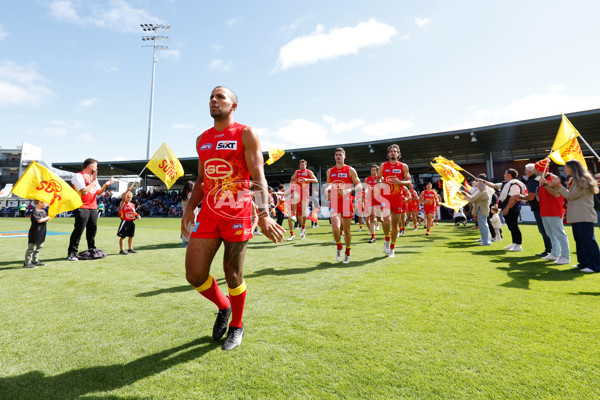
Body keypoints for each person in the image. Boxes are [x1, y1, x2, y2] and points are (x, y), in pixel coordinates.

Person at [181, 86, 285, 351]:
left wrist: (263, 214)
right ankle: (224, 305)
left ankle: (237, 326)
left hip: (237, 210)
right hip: (209, 212)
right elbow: (202, 180)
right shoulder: (202, 139)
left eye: (220, 97)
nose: (213, 101)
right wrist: (189, 208)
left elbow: (259, 176)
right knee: (194, 274)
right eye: (211, 97)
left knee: (233, 273)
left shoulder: (245, 133)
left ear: (233, 105)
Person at [545, 159, 600, 273]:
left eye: (566, 167)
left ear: (572, 168)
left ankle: (595, 265)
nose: (564, 169)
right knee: (579, 240)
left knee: (587, 240)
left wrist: (558, 186)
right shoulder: (577, 180)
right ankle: (584, 263)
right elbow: (569, 195)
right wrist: (555, 186)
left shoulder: (582, 180)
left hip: (583, 214)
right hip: (578, 215)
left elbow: (571, 196)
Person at [67, 158, 114, 261]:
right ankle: (72, 253)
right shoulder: (78, 176)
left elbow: (98, 192)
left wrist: (106, 185)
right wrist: (93, 181)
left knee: (92, 231)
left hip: (93, 207)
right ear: (90, 166)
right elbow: (84, 191)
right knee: (78, 231)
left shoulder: (93, 178)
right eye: (96, 166)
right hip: (82, 207)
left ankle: (92, 250)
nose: (97, 168)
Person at [325, 147, 362, 263]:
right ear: (334, 157)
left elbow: (359, 185)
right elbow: (328, 184)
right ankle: (339, 246)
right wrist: (327, 191)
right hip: (334, 202)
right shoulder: (330, 171)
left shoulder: (350, 170)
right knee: (335, 228)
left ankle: (347, 252)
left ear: (344, 156)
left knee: (346, 230)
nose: (338, 156)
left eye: (340, 154)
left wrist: (349, 190)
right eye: (337, 155)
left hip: (346, 202)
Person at [531, 159, 570, 264]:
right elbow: (540, 197)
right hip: (545, 210)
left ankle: (565, 256)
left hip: (553, 210)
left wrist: (544, 184)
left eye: (535, 168)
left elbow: (557, 194)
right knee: (550, 233)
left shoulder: (552, 178)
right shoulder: (541, 179)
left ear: (540, 168)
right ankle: (555, 253)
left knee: (559, 234)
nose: (534, 170)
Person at [378, 144, 411, 257]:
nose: (393, 153)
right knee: (386, 222)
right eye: (391, 151)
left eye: (395, 151)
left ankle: (392, 248)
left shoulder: (403, 166)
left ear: (398, 154)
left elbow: (409, 181)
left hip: (398, 198)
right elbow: (378, 178)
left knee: (395, 224)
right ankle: (386, 239)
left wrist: (400, 182)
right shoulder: (383, 165)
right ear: (388, 154)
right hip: (386, 197)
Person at [481, 169, 526, 252]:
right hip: (508, 207)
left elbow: (512, 197)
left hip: (512, 207)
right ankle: (514, 243)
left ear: (509, 175)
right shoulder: (506, 184)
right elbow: (494, 185)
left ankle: (518, 245)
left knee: (514, 227)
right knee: (511, 227)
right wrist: (483, 181)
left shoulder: (515, 184)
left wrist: (507, 208)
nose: (504, 175)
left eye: (505, 173)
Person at [520, 163, 552, 257]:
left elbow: (531, 197)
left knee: (544, 230)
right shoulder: (535, 180)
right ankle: (550, 250)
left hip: (539, 208)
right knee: (545, 229)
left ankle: (549, 250)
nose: (525, 172)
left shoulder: (533, 181)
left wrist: (519, 197)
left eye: (526, 170)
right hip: (540, 207)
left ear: (531, 171)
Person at [288, 159, 318, 240]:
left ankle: (303, 228)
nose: (302, 166)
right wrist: (291, 183)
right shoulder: (297, 172)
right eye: (301, 165)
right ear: (299, 165)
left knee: (303, 212)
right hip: (297, 192)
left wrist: (307, 180)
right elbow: (292, 179)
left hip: (305, 193)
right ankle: (294, 216)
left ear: (306, 165)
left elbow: (316, 180)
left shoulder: (309, 172)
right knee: (298, 214)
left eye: (303, 165)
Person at [460, 178, 492, 245]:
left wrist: (465, 194)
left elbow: (473, 200)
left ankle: (486, 241)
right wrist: (466, 194)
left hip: (482, 210)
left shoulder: (482, 193)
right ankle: (486, 240)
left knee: (483, 226)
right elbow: (473, 199)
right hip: (482, 210)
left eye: (477, 186)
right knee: (484, 226)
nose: (476, 187)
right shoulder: (483, 192)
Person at [23, 200, 50, 268]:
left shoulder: (44, 211)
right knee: (32, 248)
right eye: (45, 202)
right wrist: (49, 216)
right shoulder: (34, 212)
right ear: (40, 202)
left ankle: (35, 260)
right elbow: (39, 220)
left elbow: (45, 219)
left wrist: (48, 216)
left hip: (42, 232)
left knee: (39, 247)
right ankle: (27, 263)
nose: (46, 204)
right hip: (35, 232)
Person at [117, 190, 141, 255]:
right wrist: (127, 190)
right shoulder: (123, 204)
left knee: (131, 236)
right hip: (125, 222)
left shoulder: (132, 205)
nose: (129, 198)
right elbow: (123, 199)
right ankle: (122, 250)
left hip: (131, 221)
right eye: (127, 197)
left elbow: (134, 212)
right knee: (123, 236)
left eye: (130, 197)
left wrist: (138, 215)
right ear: (124, 197)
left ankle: (130, 248)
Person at [364, 164, 382, 243]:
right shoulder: (367, 179)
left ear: (377, 171)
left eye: (374, 170)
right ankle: (373, 237)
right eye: (372, 170)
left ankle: (386, 225)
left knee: (379, 218)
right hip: (370, 200)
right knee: (371, 217)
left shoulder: (380, 178)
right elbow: (366, 189)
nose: (373, 171)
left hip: (379, 200)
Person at [180, 181, 195, 247]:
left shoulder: (185, 194)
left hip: (187, 212)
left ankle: (186, 240)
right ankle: (186, 241)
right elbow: (193, 202)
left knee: (188, 226)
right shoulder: (188, 195)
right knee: (190, 226)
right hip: (190, 213)